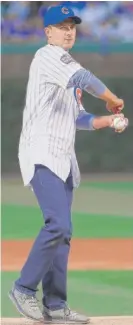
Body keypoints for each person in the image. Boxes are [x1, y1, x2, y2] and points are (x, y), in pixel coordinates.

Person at [9, 4, 126, 324]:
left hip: (63, 158)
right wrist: (112, 97)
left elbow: (78, 119)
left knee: (65, 232)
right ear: (48, 32)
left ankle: (56, 305)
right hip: (41, 153)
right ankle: (23, 288)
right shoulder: (47, 56)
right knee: (57, 224)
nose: (69, 30)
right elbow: (85, 78)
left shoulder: (68, 69)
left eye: (72, 25)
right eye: (61, 26)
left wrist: (107, 120)